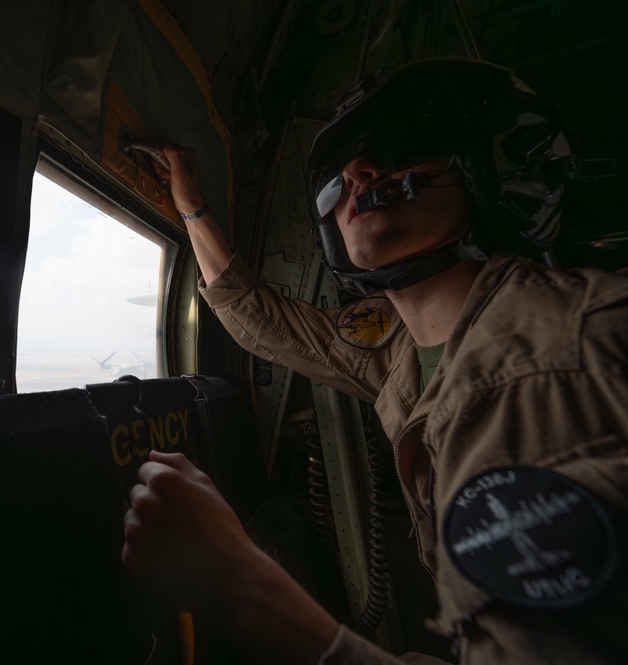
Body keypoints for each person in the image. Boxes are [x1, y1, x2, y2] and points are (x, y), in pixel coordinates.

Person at [121, 57, 628, 663]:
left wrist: (240, 586)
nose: (358, 173)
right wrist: (192, 205)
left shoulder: (568, 352)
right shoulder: (396, 351)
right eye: (340, 172)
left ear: (499, 163)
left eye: (402, 147)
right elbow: (261, 320)